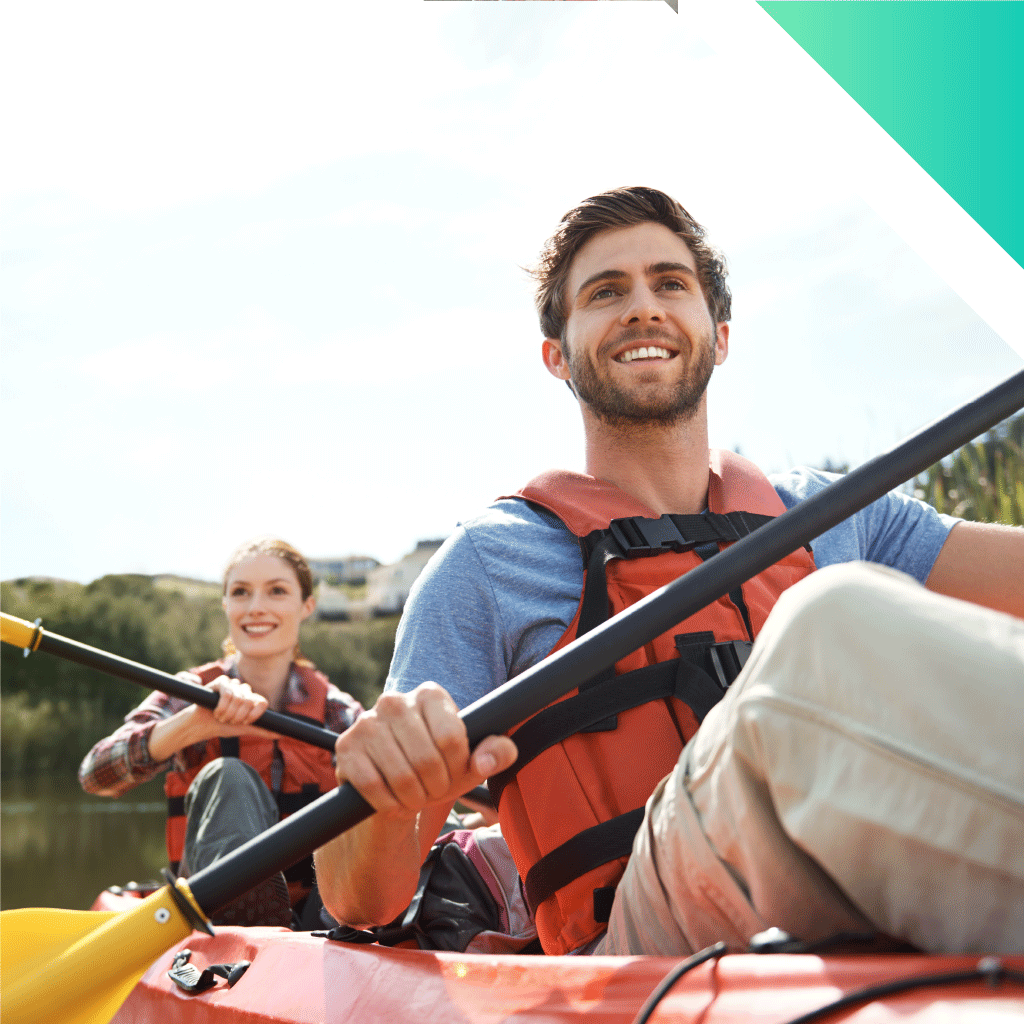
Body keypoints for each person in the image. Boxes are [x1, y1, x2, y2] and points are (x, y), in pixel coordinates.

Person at [313, 187, 1024, 956]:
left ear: (719, 337)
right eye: (605, 292)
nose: (643, 308)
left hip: (870, 850)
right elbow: (362, 901)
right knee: (831, 618)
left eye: (670, 283)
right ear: (558, 355)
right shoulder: (487, 565)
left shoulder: (835, 511)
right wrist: (387, 800)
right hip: (645, 939)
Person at [80, 537, 362, 927]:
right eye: (240, 593)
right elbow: (96, 775)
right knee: (228, 775)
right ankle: (246, 917)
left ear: (306, 606)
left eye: (277, 591)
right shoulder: (192, 692)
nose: (256, 607)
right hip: (215, 911)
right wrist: (191, 725)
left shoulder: (336, 709)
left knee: (374, 797)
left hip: (323, 913)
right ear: (226, 605)